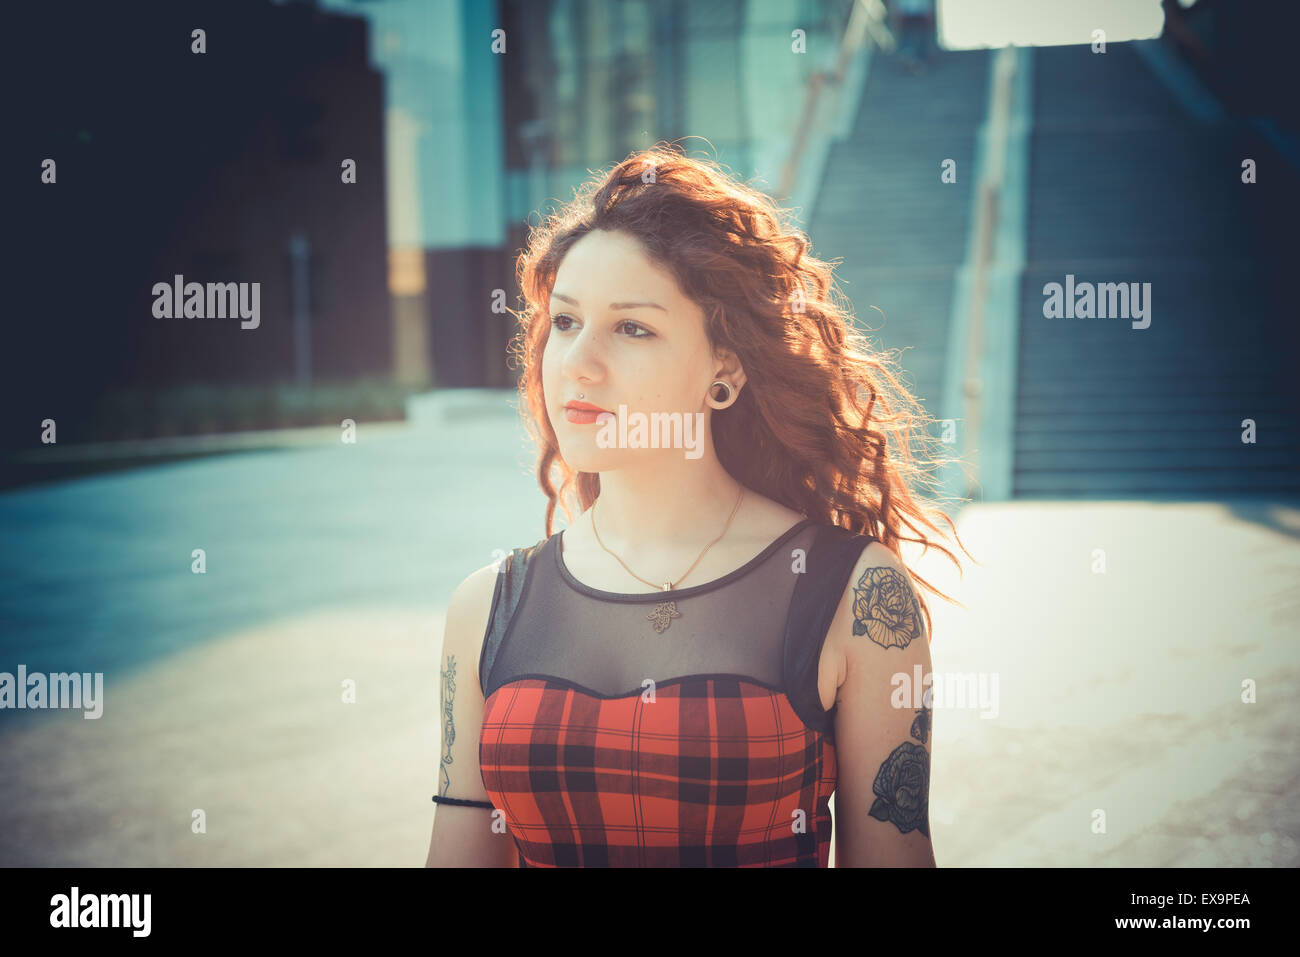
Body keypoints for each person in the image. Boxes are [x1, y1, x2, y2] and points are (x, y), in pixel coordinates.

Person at [425, 145, 972, 868]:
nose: (578, 362)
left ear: (726, 368)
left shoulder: (854, 595)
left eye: (632, 327)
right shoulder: (487, 605)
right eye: (564, 322)